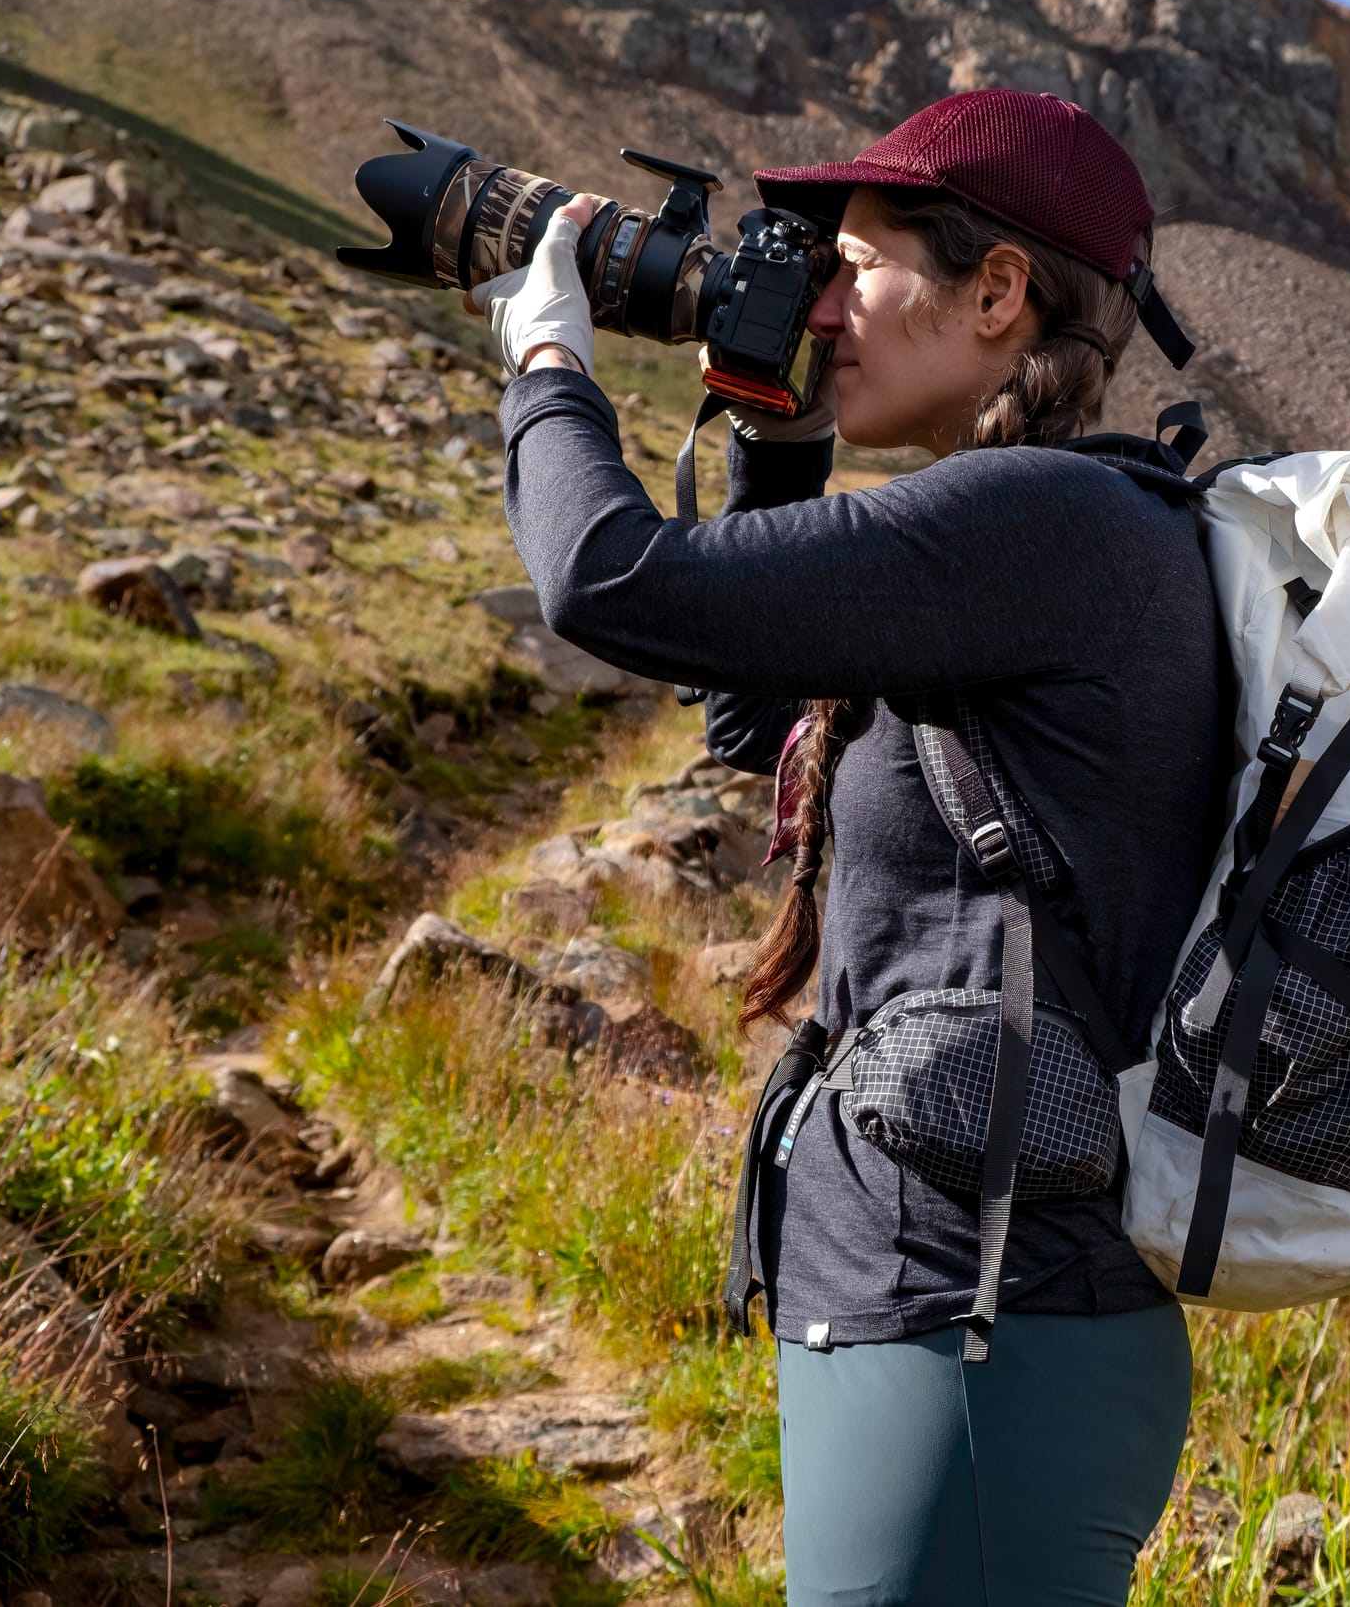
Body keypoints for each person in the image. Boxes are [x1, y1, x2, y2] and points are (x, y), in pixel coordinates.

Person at [466, 90, 1224, 1606]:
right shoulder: (1043, 534)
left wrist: (548, 364)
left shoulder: (1045, 523)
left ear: (997, 292)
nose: (823, 303)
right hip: (955, 1312)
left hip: (979, 1321)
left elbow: (608, 578)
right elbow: (758, 725)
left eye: (860, 268)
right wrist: (785, 435)